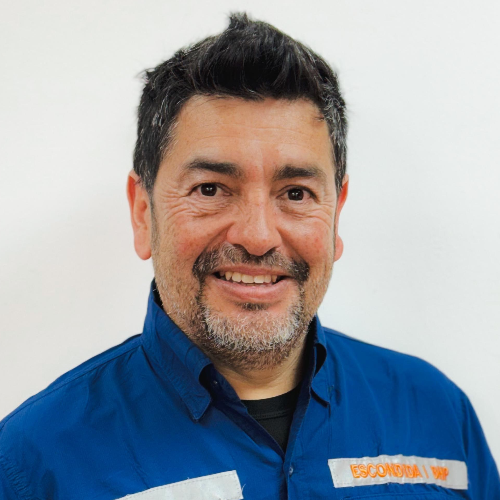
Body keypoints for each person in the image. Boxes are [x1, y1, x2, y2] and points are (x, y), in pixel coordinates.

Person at [0, 12, 498, 500]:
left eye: (297, 193)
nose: (258, 237)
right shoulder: (32, 463)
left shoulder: (437, 415)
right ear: (143, 213)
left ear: (336, 215)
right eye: (211, 188)